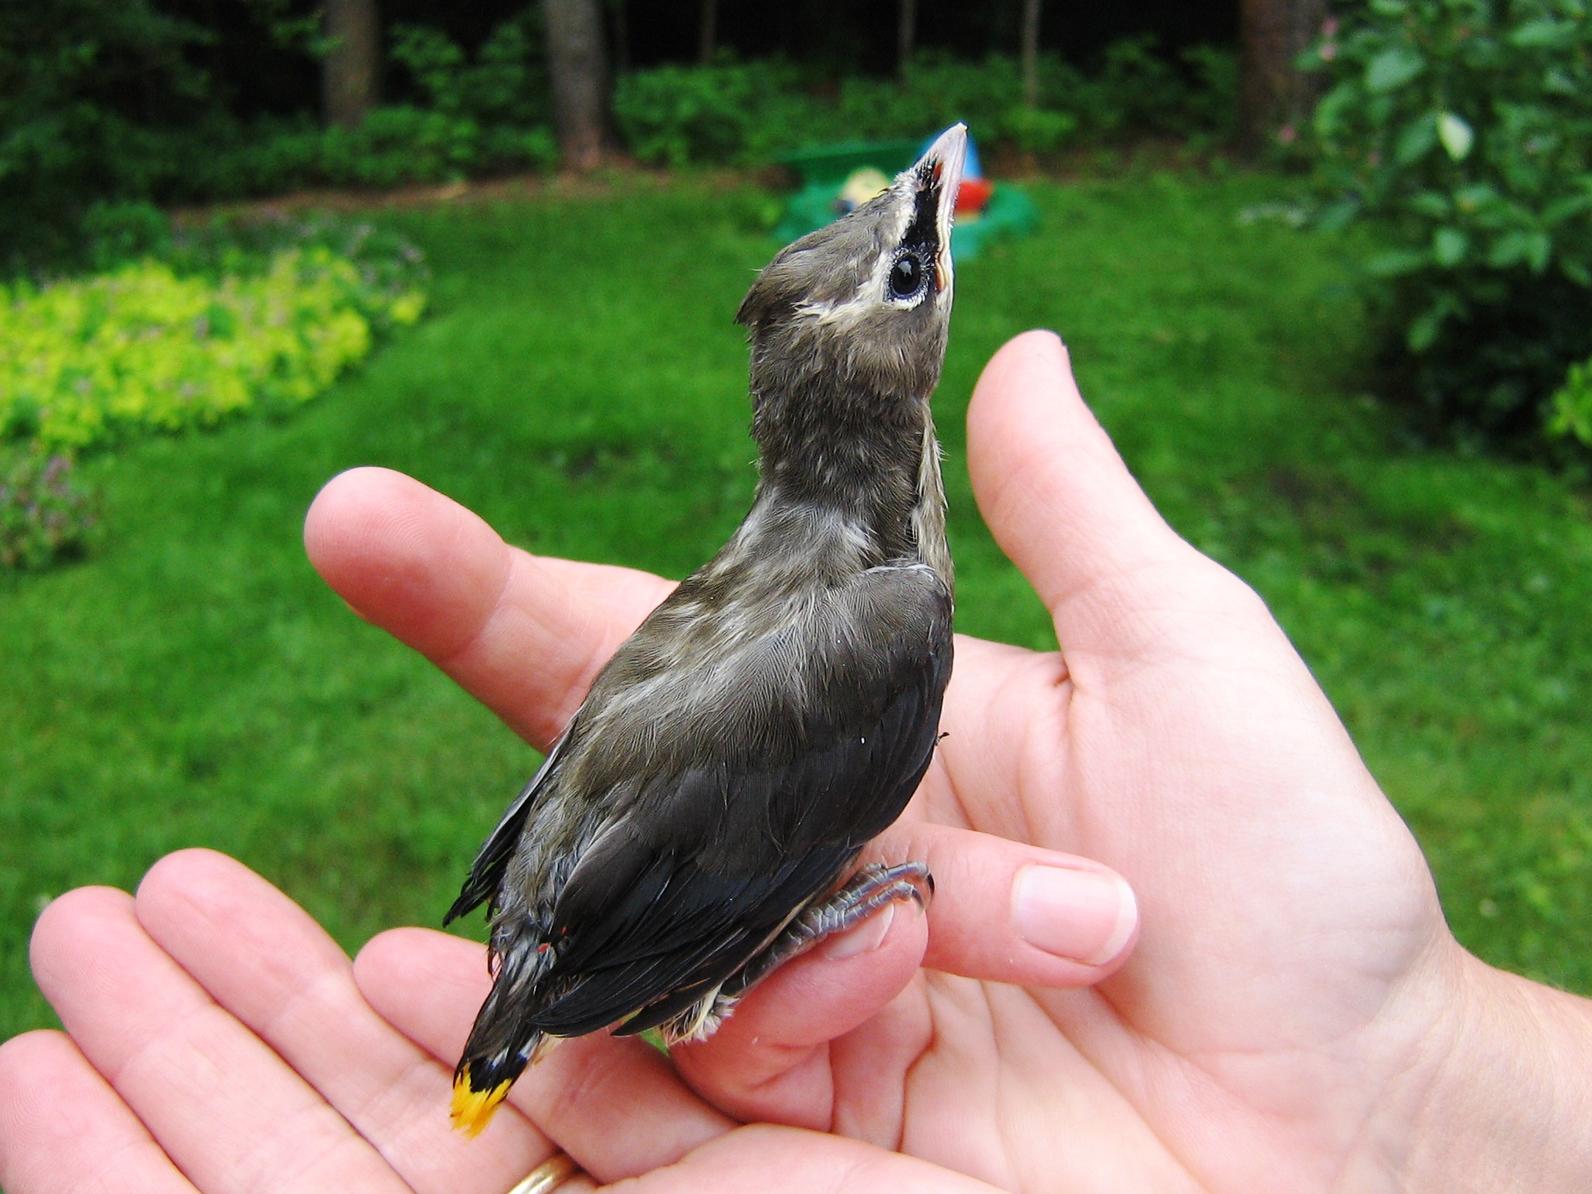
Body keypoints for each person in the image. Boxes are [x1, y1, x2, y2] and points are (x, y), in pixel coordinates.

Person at [1, 332, 1587, 1193]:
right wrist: (581, 985)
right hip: (604, 926)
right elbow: (716, 833)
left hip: (582, 902)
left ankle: (540, 1047)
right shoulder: (888, 618)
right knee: (802, 900)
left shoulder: (829, 575)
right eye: (913, 273)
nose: (929, 242)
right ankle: (593, 1032)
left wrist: (1407, 1086)